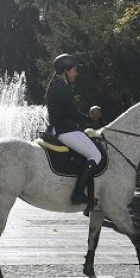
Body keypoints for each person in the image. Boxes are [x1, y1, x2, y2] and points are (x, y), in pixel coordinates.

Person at [46, 53, 101, 215]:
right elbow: (73, 114)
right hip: (65, 131)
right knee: (95, 155)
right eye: (75, 70)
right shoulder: (61, 88)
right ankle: (77, 195)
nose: (76, 74)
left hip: (64, 129)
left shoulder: (58, 85)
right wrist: (91, 120)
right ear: (66, 70)